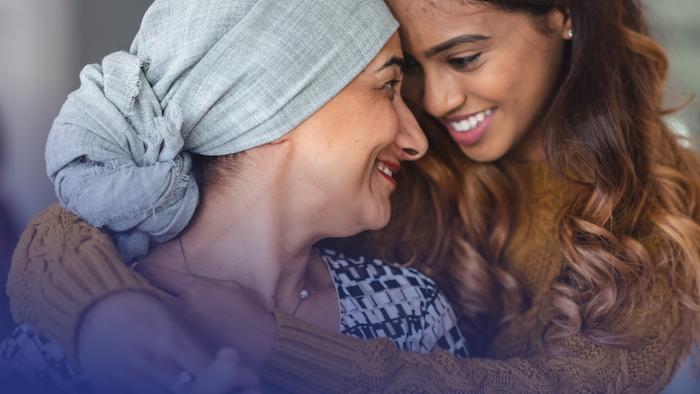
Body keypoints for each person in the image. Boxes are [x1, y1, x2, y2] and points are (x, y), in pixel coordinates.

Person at [7, 0, 700, 392]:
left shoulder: (664, 219)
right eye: (404, 73)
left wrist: (274, 345)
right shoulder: (386, 163)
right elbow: (87, 217)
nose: (434, 103)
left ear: (562, 15)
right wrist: (108, 309)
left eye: (464, 57)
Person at [1, 0, 469, 393]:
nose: (416, 140)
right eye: (388, 86)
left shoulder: (411, 311)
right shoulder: (72, 342)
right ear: (273, 106)